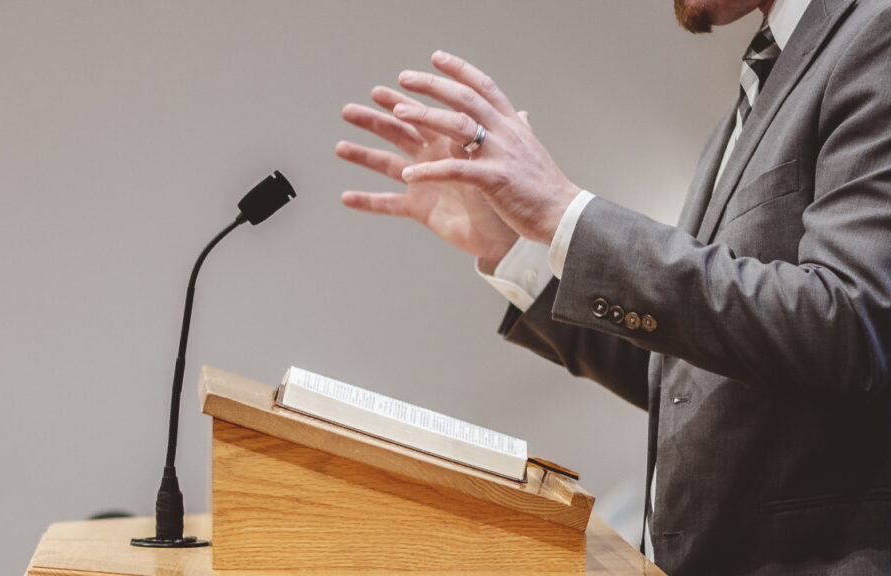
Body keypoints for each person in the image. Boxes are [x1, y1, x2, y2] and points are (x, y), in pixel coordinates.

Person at [336, 0, 891, 574]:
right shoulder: (754, 95)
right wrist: (514, 248)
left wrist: (567, 215)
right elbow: (692, 378)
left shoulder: (877, 33)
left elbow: (852, 324)